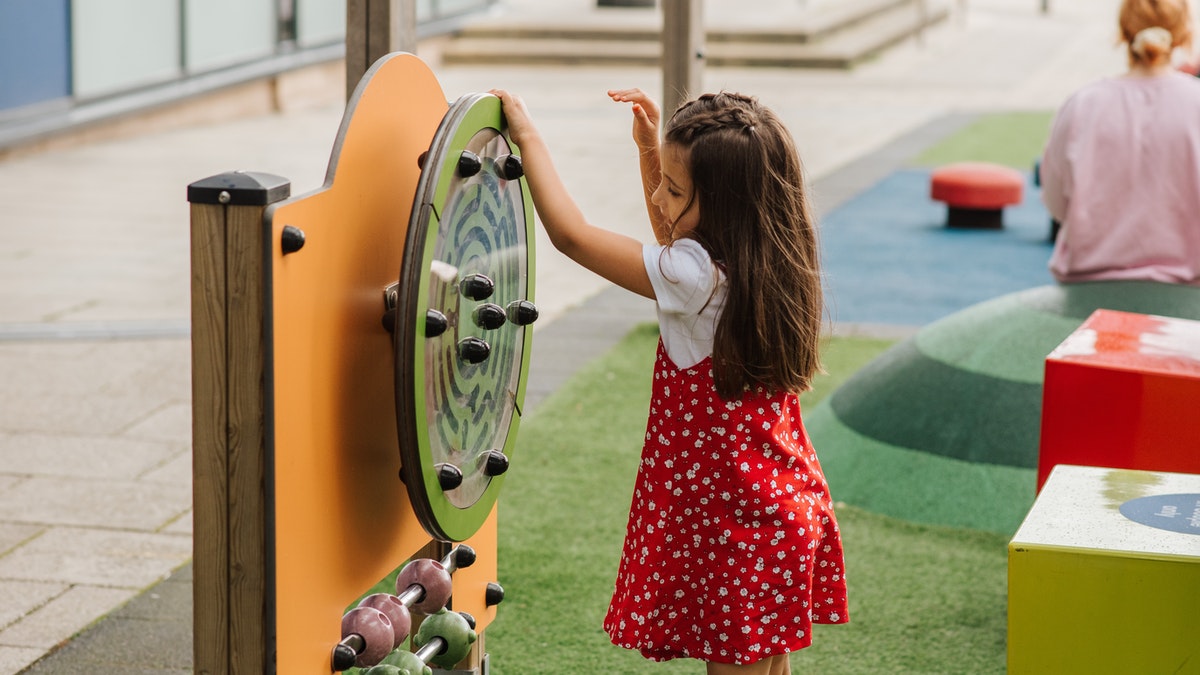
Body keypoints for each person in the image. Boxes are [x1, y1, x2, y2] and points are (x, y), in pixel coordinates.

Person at [489, 86, 849, 675]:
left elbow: (573, 236)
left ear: (724, 208)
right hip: (778, 506)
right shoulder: (771, 260)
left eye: (675, 191)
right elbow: (675, 237)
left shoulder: (696, 278)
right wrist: (650, 153)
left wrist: (527, 137)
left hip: (736, 528)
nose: (658, 197)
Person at [1040, 0, 1200, 286]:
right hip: (1186, 290)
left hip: (1088, 288)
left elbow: (1055, 202)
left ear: (1123, 32)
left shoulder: (1083, 105)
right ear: (1183, 33)